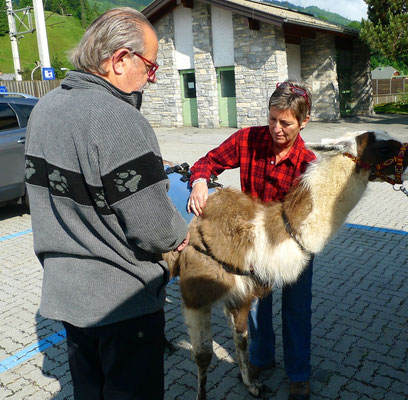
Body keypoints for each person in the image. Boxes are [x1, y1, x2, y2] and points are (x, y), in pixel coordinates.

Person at [24, 8, 189, 400]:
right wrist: (179, 235)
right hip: (123, 305)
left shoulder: (43, 110)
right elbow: (156, 229)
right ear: (119, 60)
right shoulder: (119, 119)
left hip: (68, 297)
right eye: (150, 66)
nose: (152, 77)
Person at [188, 80, 315, 400]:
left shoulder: (308, 164)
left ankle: (298, 374)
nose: (276, 128)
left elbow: (309, 220)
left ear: (304, 121)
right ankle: (261, 359)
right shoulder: (248, 139)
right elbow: (208, 161)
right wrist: (200, 181)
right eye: (272, 119)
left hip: (292, 247)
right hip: (254, 245)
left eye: (285, 123)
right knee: (256, 305)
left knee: (296, 310)